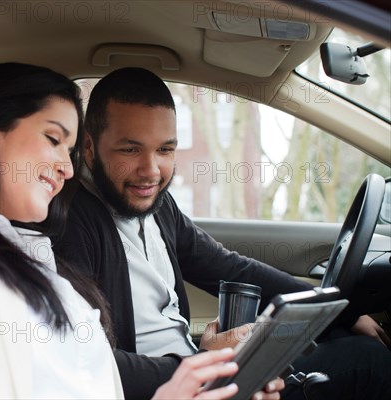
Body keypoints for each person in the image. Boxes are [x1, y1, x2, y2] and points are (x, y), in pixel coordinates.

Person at [0, 63, 244, 399]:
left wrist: (206, 380)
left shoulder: (33, 257)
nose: (67, 170)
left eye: (69, 152)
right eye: (53, 139)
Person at [55, 67, 391, 399]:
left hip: (207, 378)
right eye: (130, 150)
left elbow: (229, 268)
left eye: (165, 150)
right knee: (369, 363)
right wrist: (203, 365)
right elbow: (89, 362)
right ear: (88, 147)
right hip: (178, 388)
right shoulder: (71, 222)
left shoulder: (157, 205)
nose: (151, 170)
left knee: (358, 350)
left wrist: (338, 312)